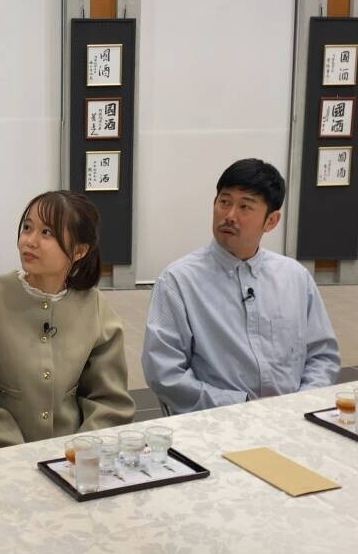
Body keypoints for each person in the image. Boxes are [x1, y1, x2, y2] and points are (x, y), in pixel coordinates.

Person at [142, 159, 339, 414]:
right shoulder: (179, 281)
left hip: (294, 417)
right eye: (224, 202)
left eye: (245, 206)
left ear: (271, 221)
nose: (230, 216)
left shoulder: (295, 277)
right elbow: (164, 373)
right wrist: (241, 406)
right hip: (218, 421)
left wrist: (300, 404)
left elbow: (323, 355)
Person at [0, 190, 135, 450]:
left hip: (74, 462)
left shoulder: (94, 305)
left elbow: (110, 401)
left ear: (80, 250)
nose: (30, 241)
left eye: (47, 233)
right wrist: (21, 456)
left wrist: (78, 452)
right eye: (27, 228)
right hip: (4, 459)